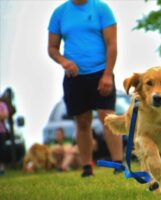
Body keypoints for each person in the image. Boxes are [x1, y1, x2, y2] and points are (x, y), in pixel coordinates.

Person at [48, 0, 123, 177]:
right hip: (74, 77)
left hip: (100, 72)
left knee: (107, 117)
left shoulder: (101, 9)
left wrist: (107, 74)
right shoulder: (60, 13)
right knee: (82, 121)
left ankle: (118, 163)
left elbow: (112, 45)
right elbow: (52, 48)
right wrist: (64, 62)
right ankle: (87, 168)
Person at [0, 100, 9, 175]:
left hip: (1, 131)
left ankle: (2, 168)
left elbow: (5, 115)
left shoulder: (2, 105)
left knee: (2, 150)